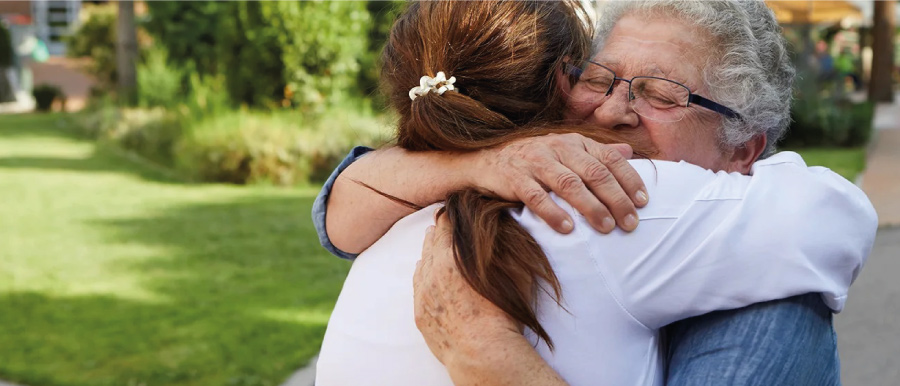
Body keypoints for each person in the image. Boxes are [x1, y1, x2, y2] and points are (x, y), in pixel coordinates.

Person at [313, 1, 875, 385]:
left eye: (659, 93)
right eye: (599, 78)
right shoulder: (621, 200)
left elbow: (339, 209)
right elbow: (839, 219)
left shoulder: (415, 202)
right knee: (788, 300)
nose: (609, 111)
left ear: (742, 150)